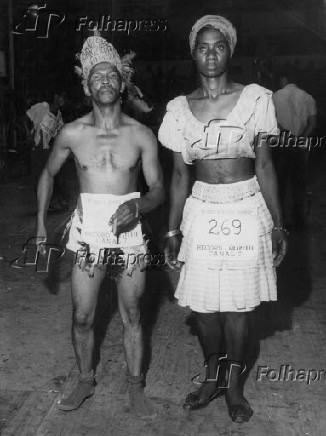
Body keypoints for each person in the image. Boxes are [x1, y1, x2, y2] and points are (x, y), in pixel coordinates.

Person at [158, 15, 287, 423]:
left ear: (230, 50)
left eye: (219, 45)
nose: (210, 53)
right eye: (203, 46)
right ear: (193, 53)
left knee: (238, 309)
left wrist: (279, 224)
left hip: (246, 209)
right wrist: (172, 229)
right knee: (205, 309)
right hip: (201, 210)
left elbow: (265, 166)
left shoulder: (257, 98)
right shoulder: (179, 110)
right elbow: (179, 175)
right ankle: (211, 377)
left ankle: (233, 386)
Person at [36, 32, 164, 416]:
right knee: (82, 315)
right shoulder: (73, 133)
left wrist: (138, 205)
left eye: (111, 75)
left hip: (130, 238)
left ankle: (136, 387)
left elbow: (158, 188)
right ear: (86, 84)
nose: (104, 82)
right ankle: (84, 380)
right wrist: (42, 225)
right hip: (89, 234)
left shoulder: (141, 135)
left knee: (133, 314)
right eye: (97, 76)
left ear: (122, 83)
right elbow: (47, 174)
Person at [272, 73, 317, 227]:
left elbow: (272, 122)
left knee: (280, 182)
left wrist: (286, 135)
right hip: (300, 144)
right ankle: (298, 217)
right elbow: (312, 123)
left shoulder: (275, 96)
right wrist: (302, 138)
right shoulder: (308, 97)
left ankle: (280, 217)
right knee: (299, 183)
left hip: (282, 143)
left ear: (283, 80)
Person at [27, 91, 69, 210]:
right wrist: (28, 134)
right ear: (56, 97)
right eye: (62, 97)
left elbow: (58, 133)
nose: (63, 100)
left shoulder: (59, 115)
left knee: (55, 175)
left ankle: (56, 201)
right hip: (37, 149)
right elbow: (24, 118)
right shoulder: (43, 107)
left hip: (48, 150)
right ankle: (48, 202)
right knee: (39, 178)